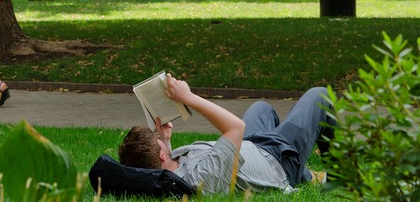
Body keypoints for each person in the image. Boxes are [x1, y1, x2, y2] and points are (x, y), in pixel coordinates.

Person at [118, 74, 335, 195]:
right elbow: (235, 128)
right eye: (157, 138)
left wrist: (164, 140)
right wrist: (188, 97)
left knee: (261, 108)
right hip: (277, 162)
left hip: (251, 147)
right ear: (162, 157)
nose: (159, 134)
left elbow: (171, 168)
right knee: (320, 96)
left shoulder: (172, 171)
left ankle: (307, 175)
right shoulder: (201, 177)